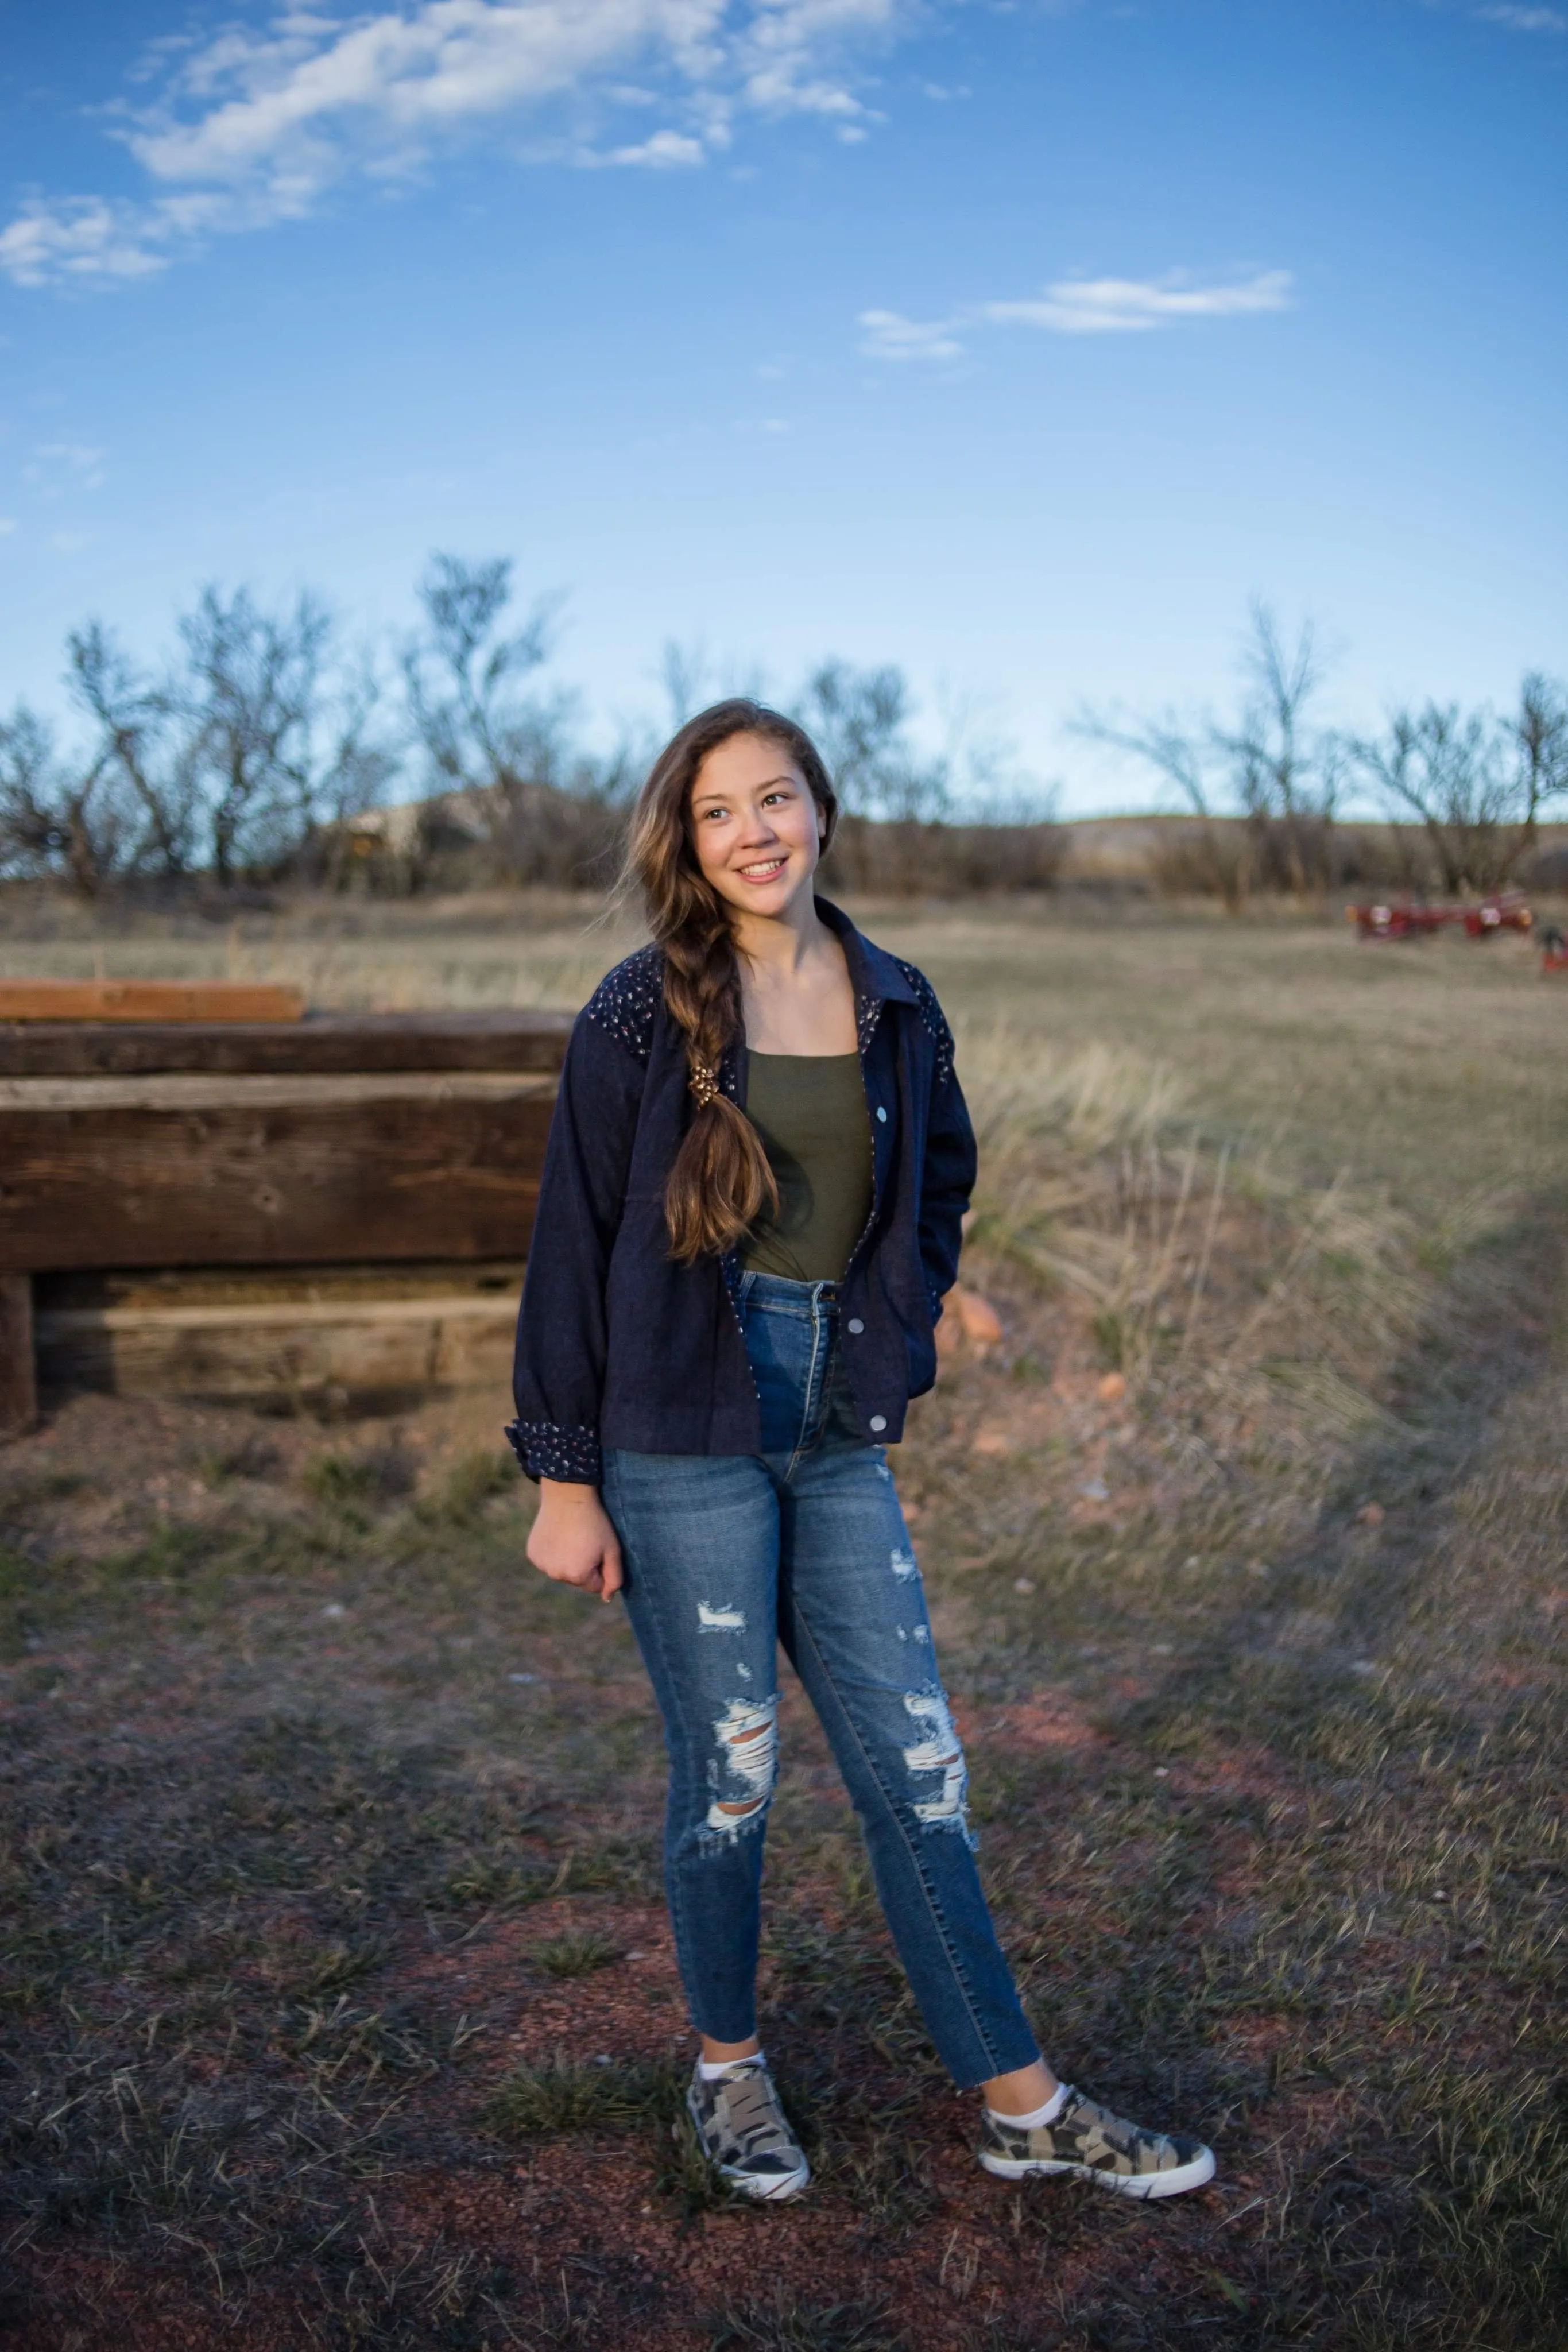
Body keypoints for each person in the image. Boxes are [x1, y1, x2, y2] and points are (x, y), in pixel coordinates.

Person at [509, 701, 1214, 2206]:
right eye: (720, 812)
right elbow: (571, 1247)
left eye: (777, 798)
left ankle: (1021, 2104)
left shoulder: (900, 1003)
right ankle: (725, 2067)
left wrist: (898, 1321)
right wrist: (563, 1478)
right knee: (735, 1774)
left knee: (921, 1771)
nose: (754, 832)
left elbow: (938, 1184)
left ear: (823, 812)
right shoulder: (641, 1014)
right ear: (687, 843)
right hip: (678, 1425)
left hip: (833, 1431)